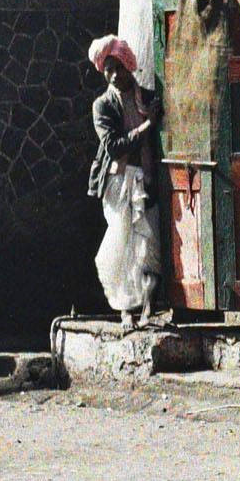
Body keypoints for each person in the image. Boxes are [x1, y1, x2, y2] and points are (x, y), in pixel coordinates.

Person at [88, 34, 162, 329]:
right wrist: (147, 125)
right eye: (109, 70)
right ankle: (125, 310)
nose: (115, 75)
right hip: (119, 182)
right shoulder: (103, 105)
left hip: (147, 178)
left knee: (148, 243)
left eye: (119, 67)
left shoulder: (149, 98)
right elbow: (114, 147)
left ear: (129, 65)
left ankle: (148, 306)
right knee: (122, 245)